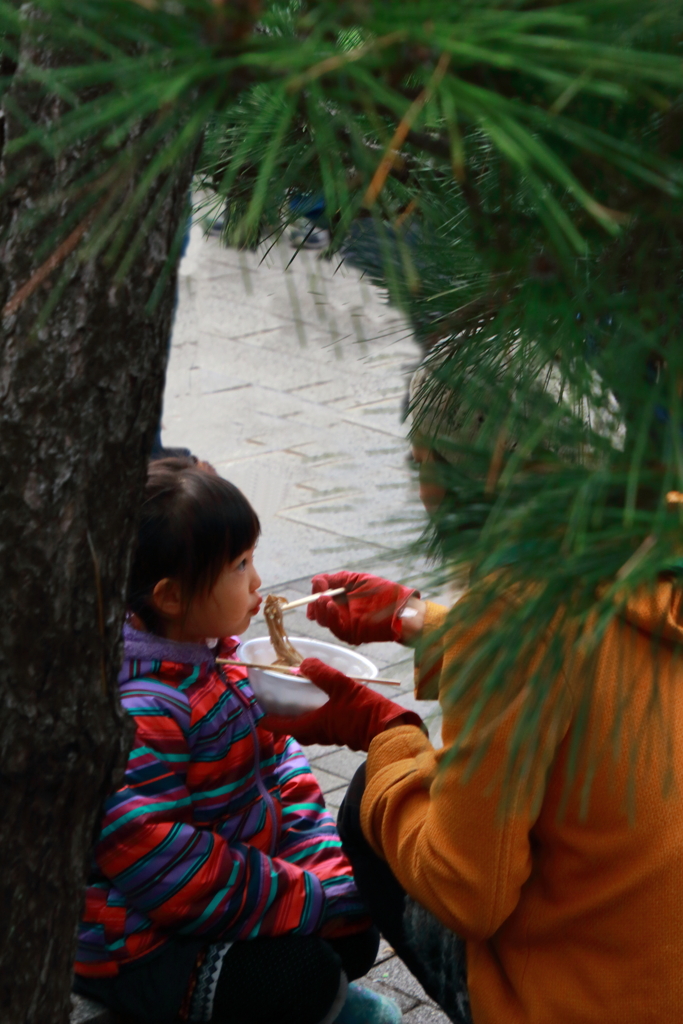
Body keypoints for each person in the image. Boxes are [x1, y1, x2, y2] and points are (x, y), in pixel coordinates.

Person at [262, 441, 683, 1023]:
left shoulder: (513, 604)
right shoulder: (658, 539)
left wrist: (384, 729)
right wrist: (416, 620)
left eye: (418, 463)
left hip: (589, 1000)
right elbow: (589, 660)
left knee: (375, 793)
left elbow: (468, 892)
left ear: (465, 471)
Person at [73, 456, 415, 1024]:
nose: (258, 582)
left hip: (236, 879)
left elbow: (279, 758)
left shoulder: (215, 659)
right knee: (303, 977)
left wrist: (320, 863)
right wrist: (303, 896)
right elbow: (166, 868)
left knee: (357, 928)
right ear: (171, 597)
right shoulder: (145, 708)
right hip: (142, 941)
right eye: (238, 565)